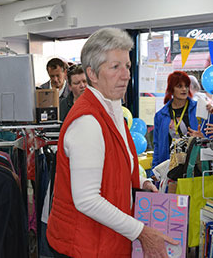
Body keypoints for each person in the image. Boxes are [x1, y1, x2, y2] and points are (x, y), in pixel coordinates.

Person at [46, 28, 178, 257]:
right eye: (115, 67)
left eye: (126, 66)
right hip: (84, 245)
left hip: (106, 240)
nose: (126, 74)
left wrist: (140, 180)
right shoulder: (87, 121)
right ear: (93, 74)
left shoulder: (112, 107)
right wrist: (141, 232)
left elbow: (119, 160)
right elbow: (87, 200)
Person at [152, 71, 213, 168]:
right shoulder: (160, 115)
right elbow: (157, 145)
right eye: (179, 86)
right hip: (170, 165)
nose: (184, 89)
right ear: (171, 89)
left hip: (195, 164)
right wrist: (155, 168)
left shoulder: (200, 108)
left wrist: (212, 114)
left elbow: (212, 136)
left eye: (186, 86)